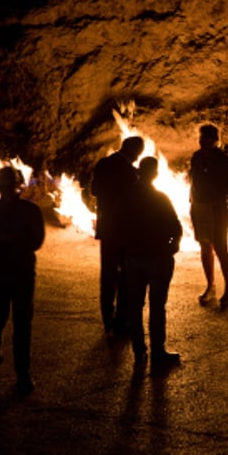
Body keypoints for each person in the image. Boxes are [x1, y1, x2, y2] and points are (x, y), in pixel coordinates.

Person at [0, 166, 46, 396]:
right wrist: (5, 241)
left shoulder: (16, 210)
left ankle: (19, 370)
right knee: (2, 320)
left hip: (15, 271)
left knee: (13, 321)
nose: (8, 190)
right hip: (9, 271)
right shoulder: (19, 210)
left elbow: (36, 241)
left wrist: (5, 241)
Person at [121, 156, 183, 374]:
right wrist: (173, 246)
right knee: (157, 306)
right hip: (158, 257)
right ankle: (158, 351)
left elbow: (117, 228)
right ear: (155, 174)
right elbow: (176, 226)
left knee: (135, 306)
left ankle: (140, 351)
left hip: (134, 258)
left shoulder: (127, 198)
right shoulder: (160, 198)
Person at [90, 136, 146, 336]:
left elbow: (94, 190)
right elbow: (134, 202)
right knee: (125, 275)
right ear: (135, 152)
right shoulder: (131, 173)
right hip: (124, 229)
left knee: (108, 274)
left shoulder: (104, 163)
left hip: (106, 227)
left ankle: (107, 319)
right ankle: (121, 320)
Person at [188, 123, 228, 307]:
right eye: (201, 138)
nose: (202, 142)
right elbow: (192, 182)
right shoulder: (196, 158)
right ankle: (210, 286)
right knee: (204, 247)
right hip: (200, 207)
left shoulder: (223, 160)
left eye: (207, 138)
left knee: (220, 248)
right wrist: (192, 205)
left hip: (218, 208)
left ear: (215, 140)